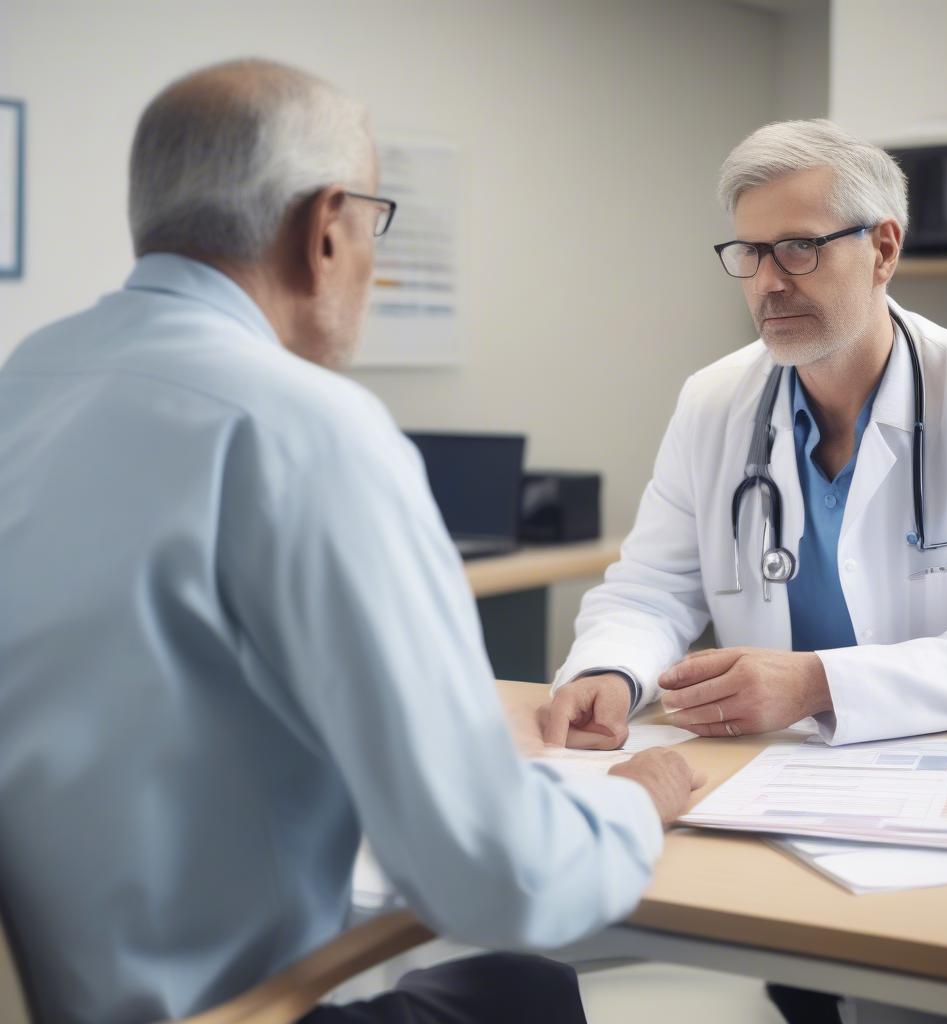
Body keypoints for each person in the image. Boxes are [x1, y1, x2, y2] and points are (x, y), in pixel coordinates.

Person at [0, 60, 702, 1024]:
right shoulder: (308, 428)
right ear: (324, 226)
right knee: (524, 992)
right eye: (376, 221)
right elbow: (496, 879)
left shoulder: (28, 379)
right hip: (224, 1011)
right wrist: (639, 800)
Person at [540, 119, 947, 1024]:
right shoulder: (715, 399)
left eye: (798, 248)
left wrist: (814, 682)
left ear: (883, 249)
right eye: (750, 252)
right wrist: (610, 667)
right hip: (775, 792)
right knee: (803, 986)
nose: (767, 281)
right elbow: (650, 588)